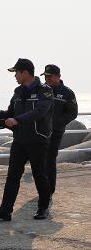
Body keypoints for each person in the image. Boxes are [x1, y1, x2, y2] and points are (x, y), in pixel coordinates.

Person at [0, 58, 54, 221]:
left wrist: (18, 120)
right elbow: (11, 112)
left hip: (38, 140)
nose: (14, 76)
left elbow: (40, 112)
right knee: (13, 175)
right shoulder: (18, 91)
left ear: (25, 72)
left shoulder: (45, 91)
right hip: (20, 140)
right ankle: (5, 210)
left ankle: (43, 207)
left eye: (16, 72)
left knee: (39, 174)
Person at [41, 64, 78, 199]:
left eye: (49, 76)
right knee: (40, 159)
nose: (47, 78)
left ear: (58, 76)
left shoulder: (67, 92)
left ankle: (49, 189)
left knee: (50, 158)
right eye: (45, 76)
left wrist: (56, 124)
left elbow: (73, 113)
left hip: (56, 132)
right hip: (40, 131)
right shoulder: (42, 89)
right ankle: (43, 187)